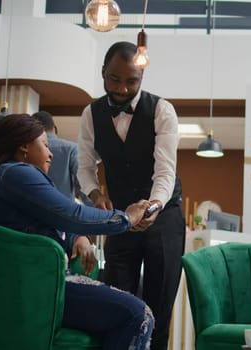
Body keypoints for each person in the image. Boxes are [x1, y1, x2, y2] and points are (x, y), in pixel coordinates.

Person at [0, 114, 155, 350]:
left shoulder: (5, 176)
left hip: (25, 286)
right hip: (32, 291)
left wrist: (76, 237)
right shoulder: (17, 173)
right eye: (45, 145)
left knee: (129, 311)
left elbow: (49, 220)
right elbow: (73, 214)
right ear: (24, 146)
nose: (50, 154)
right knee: (137, 314)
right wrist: (127, 217)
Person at [78, 41, 185, 350]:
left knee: (159, 307)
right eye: (114, 79)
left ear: (142, 78)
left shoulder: (162, 111)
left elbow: (165, 171)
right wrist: (97, 195)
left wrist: (151, 207)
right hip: (119, 219)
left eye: (132, 81)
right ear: (102, 73)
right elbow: (84, 165)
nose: (123, 89)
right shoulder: (91, 113)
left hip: (163, 217)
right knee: (115, 303)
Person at [32, 111, 80, 200]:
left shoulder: (26, 149)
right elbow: (82, 182)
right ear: (55, 129)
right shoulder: (72, 148)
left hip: (34, 207)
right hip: (64, 208)